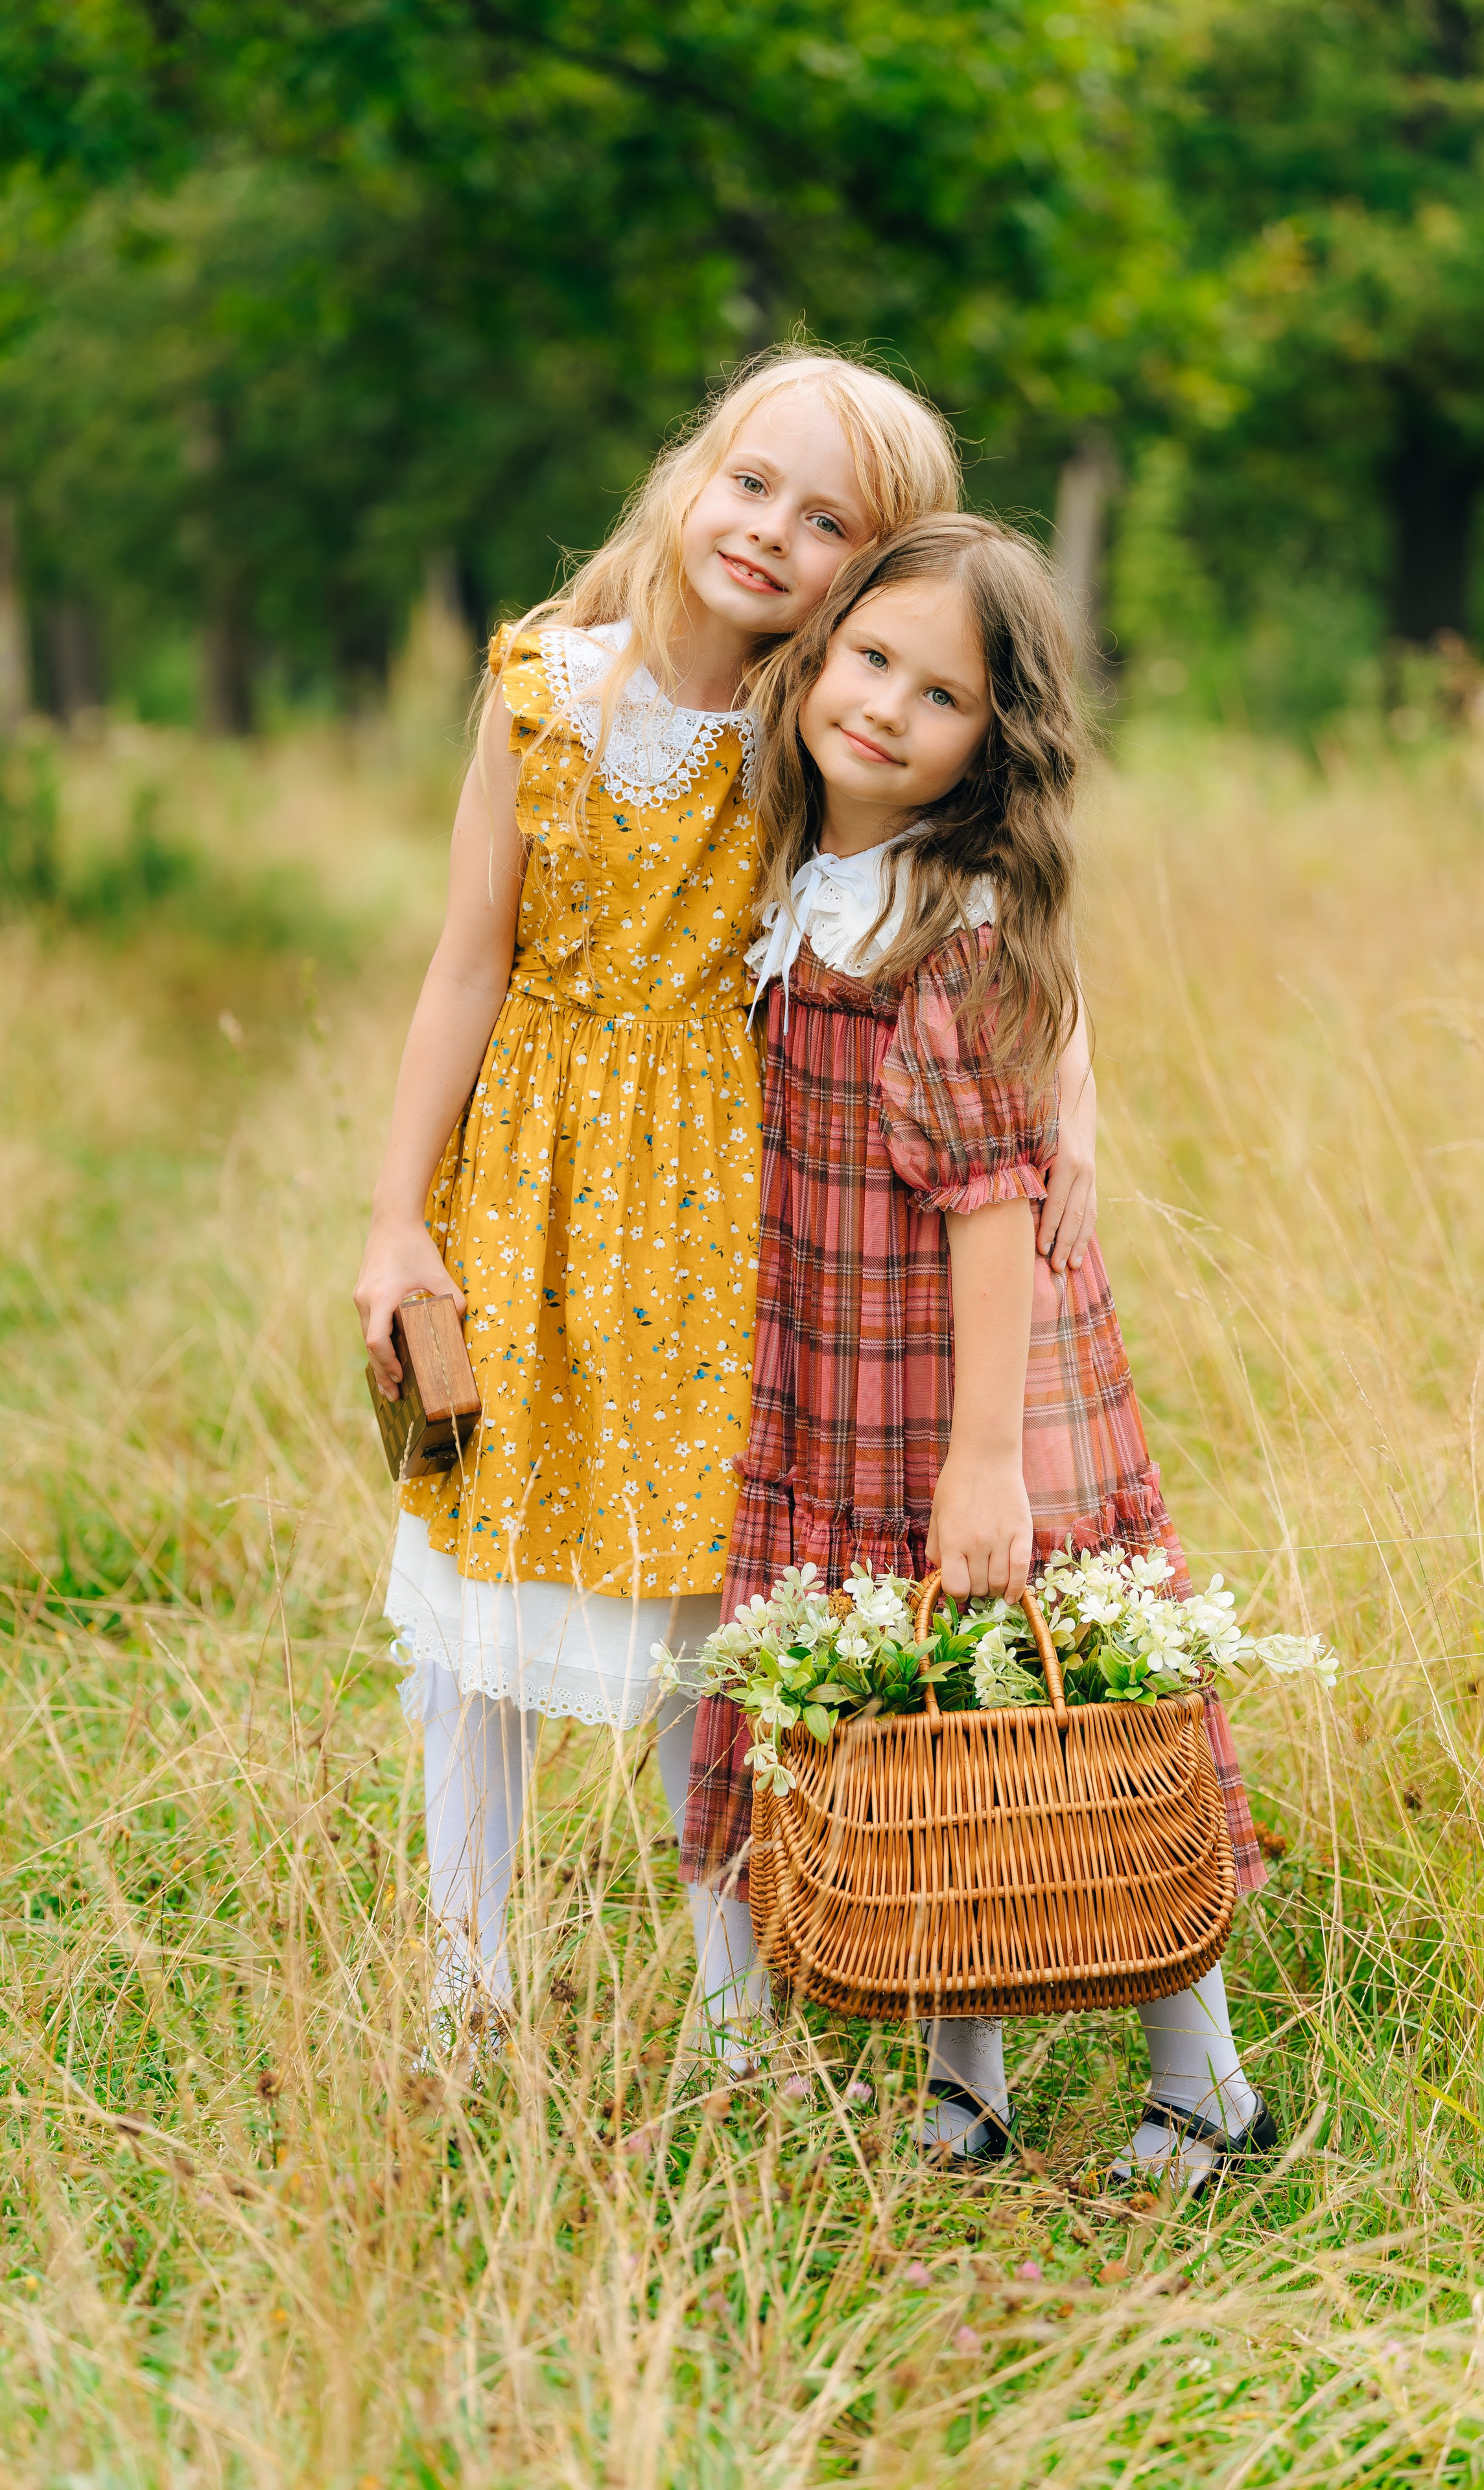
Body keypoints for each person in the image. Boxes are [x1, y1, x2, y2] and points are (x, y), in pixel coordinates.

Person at [352, 351, 1103, 2067]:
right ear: (694, 472)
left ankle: (735, 2005)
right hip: (528, 1190)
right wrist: (398, 1218)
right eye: (753, 481)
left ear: (875, 577)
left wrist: (1076, 1090)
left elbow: (985, 893)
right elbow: (466, 964)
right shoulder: (544, 687)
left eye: (829, 522)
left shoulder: (816, 722)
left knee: (715, 1594)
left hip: (728, 1206)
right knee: (480, 1582)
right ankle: (468, 1986)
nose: (770, 530)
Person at [679, 512, 1274, 2189]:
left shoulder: (949, 935)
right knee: (930, 1723)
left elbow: (992, 1207)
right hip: (844, 1376)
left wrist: (989, 1462)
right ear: (819, 656)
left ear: (991, 744)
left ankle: (1206, 2076)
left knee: (1077, 1710)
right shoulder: (807, 877)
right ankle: (967, 2085)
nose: (884, 707)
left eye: (938, 695)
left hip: (971, 1382)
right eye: (870, 659)